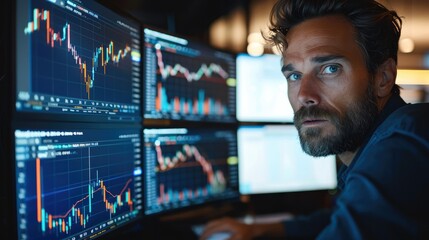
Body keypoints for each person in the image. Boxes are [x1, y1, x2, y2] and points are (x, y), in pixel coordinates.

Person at [199, 0, 429, 239]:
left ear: (382, 78)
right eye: (295, 75)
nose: (304, 95)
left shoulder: (405, 139)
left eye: (330, 69)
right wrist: (263, 229)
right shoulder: (376, 149)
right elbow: (344, 218)